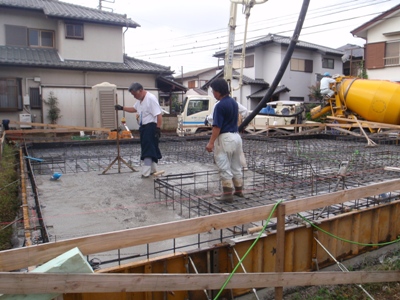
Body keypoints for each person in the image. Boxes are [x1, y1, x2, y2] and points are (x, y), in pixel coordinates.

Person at [205, 78, 244, 202]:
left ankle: (227, 195)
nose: (213, 93)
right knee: (236, 165)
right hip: (237, 137)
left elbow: (217, 126)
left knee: (223, 166)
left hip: (225, 138)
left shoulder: (220, 105)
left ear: (218, 91)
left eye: (213, 91)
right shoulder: (233, 102)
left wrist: (211, 142)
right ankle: (239, 190)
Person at [115, 82, 162, 178]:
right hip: (144, 127)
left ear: (141, 90)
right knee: (150, 148)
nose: (134, 97)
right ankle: (153, 170)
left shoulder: (150, 99)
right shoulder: (140, 100)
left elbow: (159, 114)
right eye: (133, 95)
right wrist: (122, 108)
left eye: (135, 94)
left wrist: (158, 128)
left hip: (151, 127)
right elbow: (134, 109)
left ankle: (145, 172)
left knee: (148, 149)